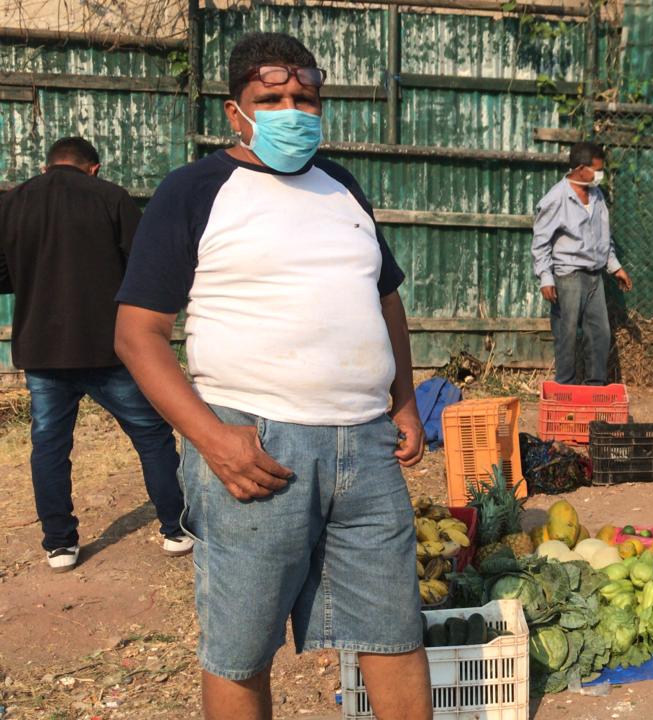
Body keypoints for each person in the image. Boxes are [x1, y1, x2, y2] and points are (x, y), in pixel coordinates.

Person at [112, 33, 431, 720]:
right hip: (256, 448)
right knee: (242, 649)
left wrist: (404, 400)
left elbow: (385, 299)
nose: (293, 111)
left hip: (367, 448)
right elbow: (137, 335)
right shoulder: (194, 191)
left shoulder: (341, 186)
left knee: (395, 632)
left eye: (305, 99)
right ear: (237, 112)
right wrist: (212, 439)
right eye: (273, 99)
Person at [0, 137, 189, 572]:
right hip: (108, 347)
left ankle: (59, 545)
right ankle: (176, 528)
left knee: (49, 446)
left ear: (46, 168)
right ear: (94, 168)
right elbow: (143, 265)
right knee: (151, 436)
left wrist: (35, 276)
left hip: (42, 351)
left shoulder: (12, 202)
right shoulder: (111, 197)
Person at [531, 142, 633, 385]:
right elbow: (541, 242)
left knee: (600, 333)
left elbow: (604, 236)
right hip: (569, 277)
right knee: (566, 333)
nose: (600, 175)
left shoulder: (596, 196)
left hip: (595, 276)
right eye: (597, 170)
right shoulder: (556, 198)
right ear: (579, 169)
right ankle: (565, 386)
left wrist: (615, 267)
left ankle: (595, 386)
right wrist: (545, 277)